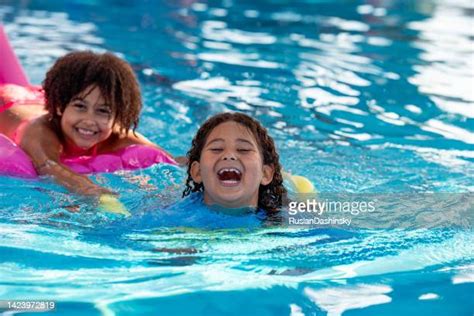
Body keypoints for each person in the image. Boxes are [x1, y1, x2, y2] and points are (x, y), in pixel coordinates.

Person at [0, 51, 176, 196]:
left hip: (37, 99)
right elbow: (48, 166)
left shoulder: (117, 135)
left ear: (117, 116)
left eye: (103, 111)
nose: (89, 120)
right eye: (80, 107)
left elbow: (172, 162)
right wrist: (89, 189)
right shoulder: (39, 130)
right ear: (60, 107)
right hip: (9, 101)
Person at [182, 112, 287, 212]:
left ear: (265, 174)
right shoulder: (171, 214)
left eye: (243, 150)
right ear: (197, 172)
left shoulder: (289, 218)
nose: (229, 155)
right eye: (216, 149)